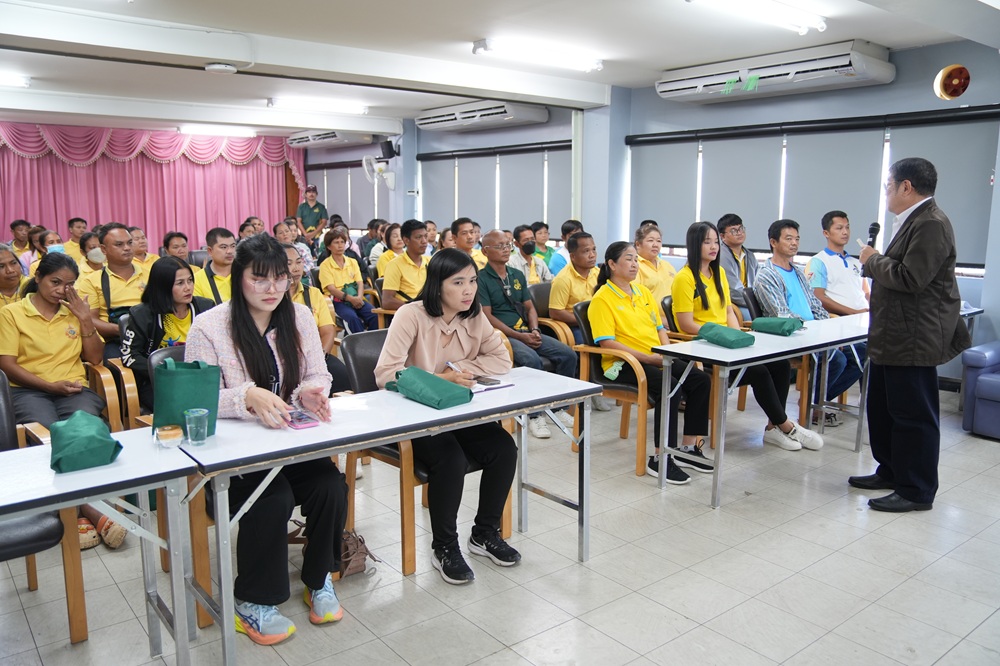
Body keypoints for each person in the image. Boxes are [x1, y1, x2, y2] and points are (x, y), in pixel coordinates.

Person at [185, 234, 346, 645]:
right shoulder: (209, 326)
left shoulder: (299, 317)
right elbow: (195, 399)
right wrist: (247, 396)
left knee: (330, 486)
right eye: (259, 279)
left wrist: (310, 393)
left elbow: (318, 373)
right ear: (238, 278)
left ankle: (319, 578)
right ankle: (252, 601)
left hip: (286, 439)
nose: (272, 289)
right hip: (234, 453)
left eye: (280, 278)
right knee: (272, 498)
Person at [375, 248, 520, 584]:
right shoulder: (411, 315)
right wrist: (442, 378)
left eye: (472, 281)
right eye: (458, 282)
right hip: (415, 416)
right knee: (451, 460)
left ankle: (484, 533)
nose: (468, 290)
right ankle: (444, 546)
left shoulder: (474, 315)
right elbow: (385, 374)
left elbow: (501, 360)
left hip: (458, 410)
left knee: (504, 448)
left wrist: (457, 369)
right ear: (438, 285)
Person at [850, 158, 971, 512]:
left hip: (913, 338)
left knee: (913, 416)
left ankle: (916, 489)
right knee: (884, 409)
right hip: (893, 335)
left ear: (906, 186)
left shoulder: (931, 223)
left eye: (888, 186)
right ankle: (891, 471)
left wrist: (872, 260)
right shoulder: (913, 220)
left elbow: (911, 278)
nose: (886, 193)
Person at [673, 222, 824, 454]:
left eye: (715, 242)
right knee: (759, 372)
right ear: (695, 245)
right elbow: (686, 323)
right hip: (704, 345)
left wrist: (735, 337)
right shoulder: (684, 278)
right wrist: (720, 336)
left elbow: (728, 312)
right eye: (707, 242)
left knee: (781, 365)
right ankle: (787, 426)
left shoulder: (718, 273)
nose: (714, 247)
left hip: (725, 342)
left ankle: (773, 428)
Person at [590, 241, 712, 483]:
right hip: (622, 363)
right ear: (612, 264)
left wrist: (667, 353)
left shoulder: (642, 292)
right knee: (670, 387)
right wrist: (648, 358)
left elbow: (659, 329)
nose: (634, 264)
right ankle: (660, 458)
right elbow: (607, 343)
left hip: (655, 357)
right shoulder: (602, 298)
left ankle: (688, 449)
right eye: (628, 259)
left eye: (636, 259)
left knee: (700, 380)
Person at [753, 219, 863, 424]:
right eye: (788, 239)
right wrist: (817, 333)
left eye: (797, 239)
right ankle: (812, 407)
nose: (794, 243)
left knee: (861, 354)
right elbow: (782, 314)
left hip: (815, 333)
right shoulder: (766, 275)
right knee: (837, 359)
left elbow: (816, 306)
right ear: (773, 242)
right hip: (792, 336)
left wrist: (829, 332)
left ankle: (813, 401)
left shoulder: (798, 272)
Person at [477, 229, 577, 439]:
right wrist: (519, 336)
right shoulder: (481, 279)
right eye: (499, 246)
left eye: (507, 245)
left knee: (568, 354)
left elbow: (530, 307)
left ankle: (558, 408)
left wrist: (534, 330)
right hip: (502, 336)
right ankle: (534, 415)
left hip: (525, 331)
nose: (506, 249)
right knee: (532, 360)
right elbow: (487, 316)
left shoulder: (516, 275)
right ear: (485, 251)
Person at [0, 252, 105, 427]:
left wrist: (85, 318)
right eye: (55, 282)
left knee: (84, 426)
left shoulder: (74, 311)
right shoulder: (11, 313)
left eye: (69, 285)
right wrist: (49, 386)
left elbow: (95, 358)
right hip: (26, 390)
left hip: (73, 389)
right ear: (38, 277)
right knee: (45, 429)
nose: (61, 290)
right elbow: (7, 365)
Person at [120, 256, 215, 411]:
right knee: (184, 407)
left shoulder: (205, 307)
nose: (188, 288)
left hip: (200, 378)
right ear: (163, 286)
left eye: (190, 280)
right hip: (159, 382)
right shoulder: (143, 314)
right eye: (180, 283)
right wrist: (162, 372)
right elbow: (129, 356)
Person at [282, 243, 350, 394]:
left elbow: (328, 331)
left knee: (346, 378)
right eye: (289, 264)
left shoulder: (314, 294)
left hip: (315, 356)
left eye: (299, 262)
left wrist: (320, 357)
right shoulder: (271, 297)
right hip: (284, 361)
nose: (296, 268)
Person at [77, 222, 147, 360]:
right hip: (115, 340)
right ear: (103, 249)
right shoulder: (91, 281)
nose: (127, 248)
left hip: (149, 336)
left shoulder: (150, 274)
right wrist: (123, 329)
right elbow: (90, 319)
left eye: (129, 243)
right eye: (119, 244)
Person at [806, 211, 871, 315]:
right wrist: (853, 313)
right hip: (840, 319)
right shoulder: (819, 261)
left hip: (864, 317)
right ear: (826, 233)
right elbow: (818, 297)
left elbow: (866, 293)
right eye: (839, 228)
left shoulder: (857, 262)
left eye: (847, 227)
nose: (845, 232)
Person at [319, 227, 378, 332]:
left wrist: (359, 297)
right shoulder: (325, 265)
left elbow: (360, 282)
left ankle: (370, 340)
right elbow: (331, 289)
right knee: (352, 319)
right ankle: (358, 342)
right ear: (328, 246)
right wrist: (350, 299)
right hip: (338, 301)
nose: (340, 245)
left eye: (342, 242)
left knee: (375, 315)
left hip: (357, 297)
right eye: (336, 242)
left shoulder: (352, 261)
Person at [548, 231, 597, 345]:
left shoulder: (597, 273)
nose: (592, 255)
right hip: (575, 326)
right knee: (591, 345)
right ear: (573, 256)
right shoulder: (563, 279)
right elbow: (555, 312)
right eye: (586, 251)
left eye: (594, 249)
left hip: (596, 321)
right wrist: (586, 321)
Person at [717, 213, 758, 320]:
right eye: (733, 231)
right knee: (755, 318)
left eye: (741, 228)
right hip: (732, 304)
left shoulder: (750, 256)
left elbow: (758, 283)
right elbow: (733, 291)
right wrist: (756, 302)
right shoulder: (721, 256)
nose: (739, 233)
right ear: (722, 236)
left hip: (750, 301)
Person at [381, 219, 428, 310]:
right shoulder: (395, 265)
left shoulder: (430, 262)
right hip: (409, 312)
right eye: (418, 237)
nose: (424, 241)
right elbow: (387, 302)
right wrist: (416, 308)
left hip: (430, 309)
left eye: (425, 236)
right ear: (406, 240)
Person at [634, 222, 677, 313]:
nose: (655, 245)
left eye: (659, 241)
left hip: (675, 318)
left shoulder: (667, 265)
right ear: (638, 244)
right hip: (650, 319)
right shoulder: (634, 266)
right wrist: (658, 319)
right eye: (650, 240)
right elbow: (635, 302)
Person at [193, 227, 237, 304]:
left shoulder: (244, 273)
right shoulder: (197, 280)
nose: (230, 251)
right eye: (224, 247)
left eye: (233, 246)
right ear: (210, 251)